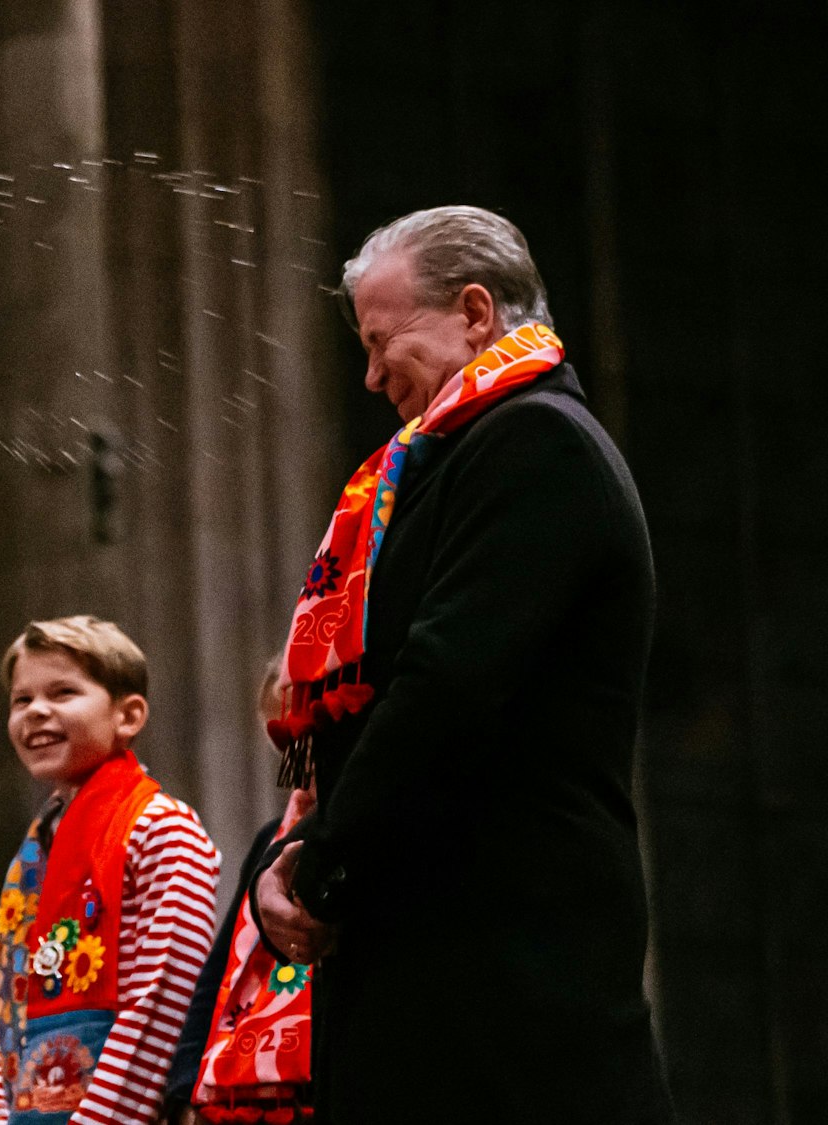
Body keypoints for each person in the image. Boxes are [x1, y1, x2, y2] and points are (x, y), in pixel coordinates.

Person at [251, 206, 670, 1123]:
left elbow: (448, 685)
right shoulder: (455, 458)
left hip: (506, 964)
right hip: (445, 954)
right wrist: (289, 853)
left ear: (474, 312)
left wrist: (323, 866)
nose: (368, 376)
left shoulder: (536, 442)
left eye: (380, 340)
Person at [0, 615, 221, 1125]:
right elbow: (1, 1014)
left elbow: (163, 997)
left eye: (63, 693)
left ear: (127, 716)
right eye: (22, 700)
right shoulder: (33, 854)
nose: (37, 712)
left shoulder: (162, 827)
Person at [163, 660, 315, 1125]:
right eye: (284, 738)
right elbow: (221, 965)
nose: (302, 750)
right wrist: (184, 1082)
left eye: (312, 728)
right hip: (244, 1084)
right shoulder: (273, 837)